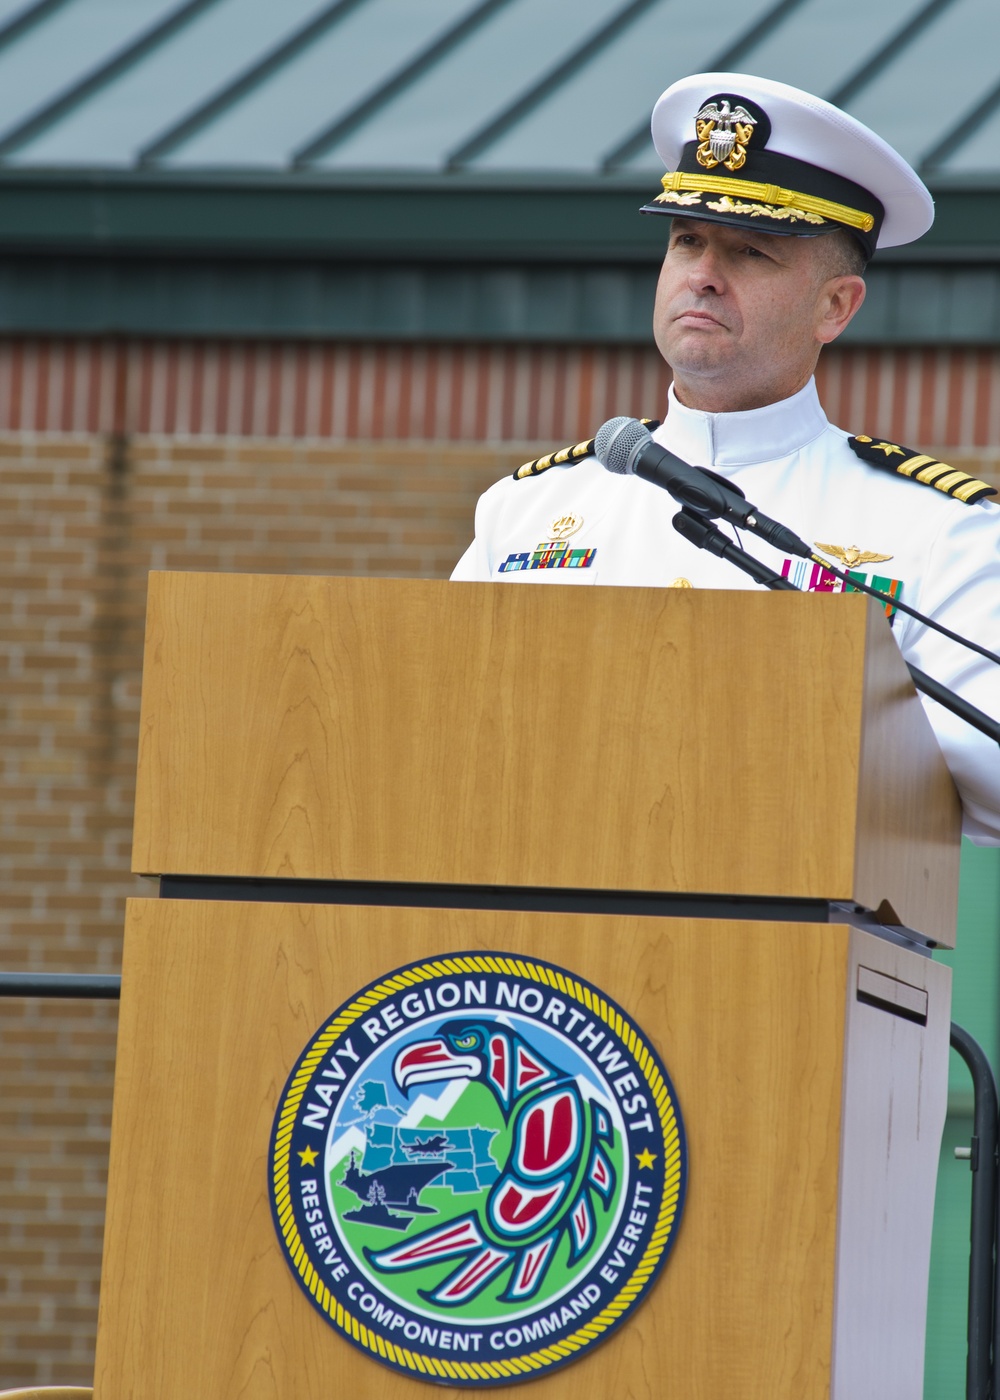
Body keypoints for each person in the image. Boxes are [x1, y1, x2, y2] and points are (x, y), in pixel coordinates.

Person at [451, 72, 1000, 846]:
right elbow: (436, 738)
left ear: (834, 306)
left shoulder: (940, 532)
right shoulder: (525, 510)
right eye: (686, 241)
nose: (702, 274)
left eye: (750, 252)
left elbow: (987, 781)